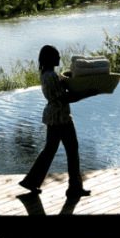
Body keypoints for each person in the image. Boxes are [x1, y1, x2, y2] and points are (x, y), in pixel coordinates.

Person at [19, 44, 92, 198]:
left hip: (54, 117)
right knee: (72, 150)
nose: (59, 58)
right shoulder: (51, 76)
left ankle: (31, 181)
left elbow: (60, 91)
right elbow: (64, 98)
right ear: (50, 58)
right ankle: (74, 188)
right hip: (60, 118)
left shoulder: (47, 73)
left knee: (50, 150)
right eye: (57, 56)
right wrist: (88, 93)